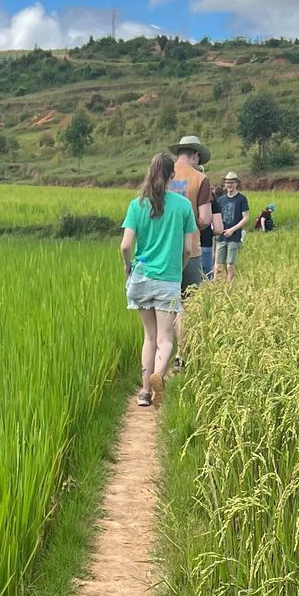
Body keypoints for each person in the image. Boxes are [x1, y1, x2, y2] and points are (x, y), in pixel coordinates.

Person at [121, 152, 198, 408]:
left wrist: (127, 268)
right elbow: (188, 249)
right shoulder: (183, 206)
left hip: (141, 278)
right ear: (172, 176)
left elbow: (125, 245)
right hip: (168, 279)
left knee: (149, 337)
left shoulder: (137, 205)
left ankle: (144, 392)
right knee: (166, 339)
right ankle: (159, 374)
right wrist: (180, 267)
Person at [171, 135, 215, 285]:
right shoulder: (200, 178)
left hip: (162, 251)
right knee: (190, 303)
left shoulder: (162, 175)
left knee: (164, 303)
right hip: (190, 249)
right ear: (195, 156)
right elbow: (205, 219)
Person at [212, 172, 249, 278]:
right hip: (221, 236)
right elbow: (216, 216)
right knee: (218, 265)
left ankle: (229, 285)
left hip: (234, 236)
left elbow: (246, 218)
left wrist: (232, 229)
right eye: (227, 182)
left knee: (230, 265)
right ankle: (216, 286)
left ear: (236, 183)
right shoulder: (221, 199)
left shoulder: (241, 199)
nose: (229, 185)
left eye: (232, 182)